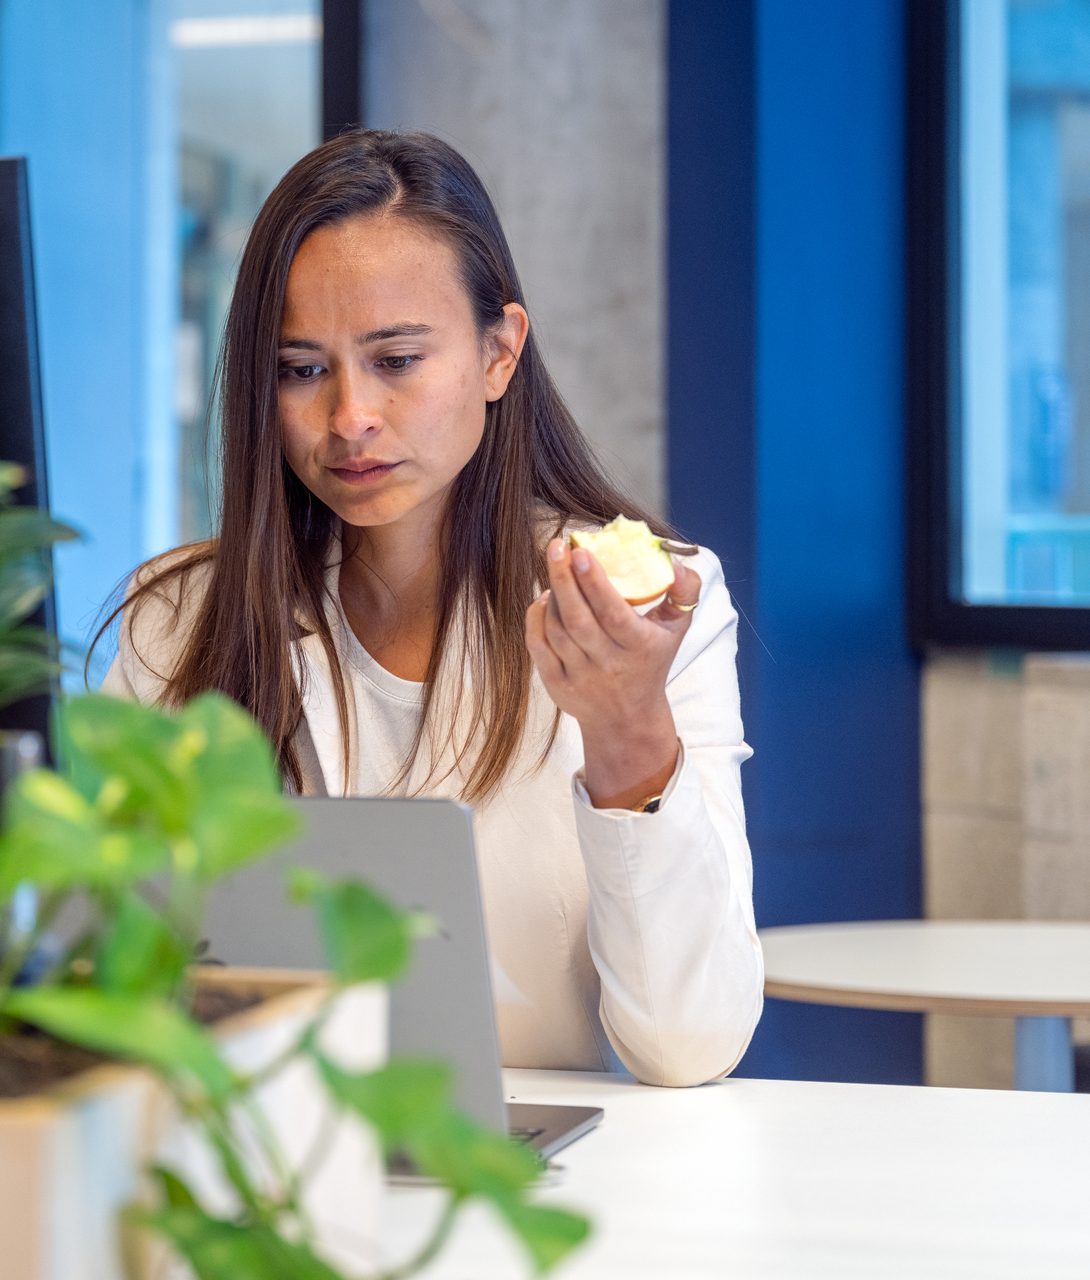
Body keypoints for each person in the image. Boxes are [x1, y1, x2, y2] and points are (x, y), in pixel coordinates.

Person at [100, 130, 760, 1087]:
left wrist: (628, 738)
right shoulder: (180, 619)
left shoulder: (649, 607)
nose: (350, 416)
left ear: (499, 354)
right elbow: (116, 966)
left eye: (397, 359)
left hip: (551, 1179)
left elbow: (691, 1045)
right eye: (299, 369)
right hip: (254, 1158)